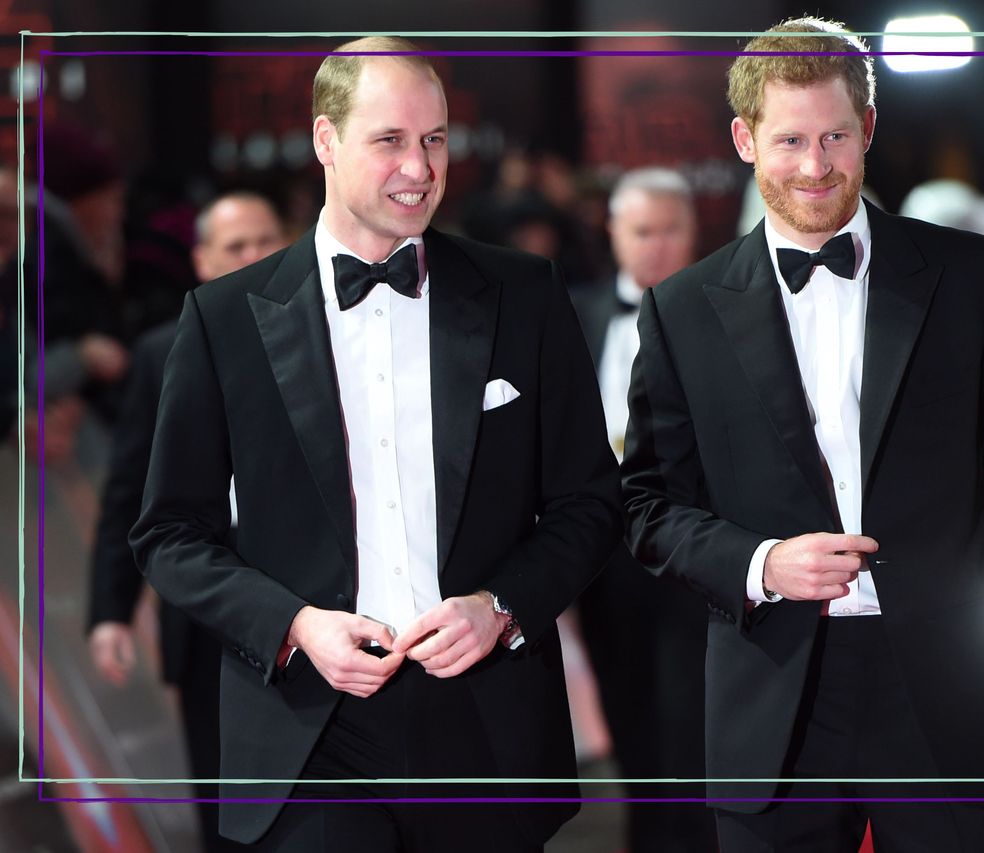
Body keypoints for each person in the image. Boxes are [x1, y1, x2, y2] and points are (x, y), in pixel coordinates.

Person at [621, 18, 984, 853]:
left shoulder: (974, 277)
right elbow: (645, 507)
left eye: (835, 137)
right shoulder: (682, 309)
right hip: (772, 702)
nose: (815, 167)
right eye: (790, 140)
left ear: (869, 129)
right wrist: (759, 563)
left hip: (950, 694)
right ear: (744, 140)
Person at [130, 37, 620, 851]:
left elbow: (589, 503)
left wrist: (500, 609)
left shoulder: (523, 293)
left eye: (434, 140)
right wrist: (293, 625)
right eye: (389, 140)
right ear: (326, 140)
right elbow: (170, 532)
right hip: (310, 732)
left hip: (485, 723)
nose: (420, 168)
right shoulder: (224, 318)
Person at [87, 190, 288, 852]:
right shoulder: (157, 351)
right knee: (227, 801)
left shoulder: (324, 334)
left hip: (316, 596)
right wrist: (111, 609)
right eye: (237, 245)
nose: (254, 255)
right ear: (201, 260)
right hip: (208, 615)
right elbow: (133, 490)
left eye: (266, 240)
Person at [571, 168, 716, 852]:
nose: (657, 245)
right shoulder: (575, 312)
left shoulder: (728, 310)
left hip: (700, 554)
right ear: (613, 234)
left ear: (695, 230)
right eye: (642, 230)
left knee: (695, 725)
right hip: (604, 559)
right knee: (628, 720)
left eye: (671, 229)